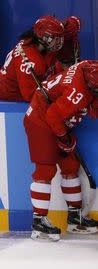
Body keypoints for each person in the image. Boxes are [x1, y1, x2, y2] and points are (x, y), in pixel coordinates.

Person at [23, 60, 98, 241]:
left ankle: (74, 217)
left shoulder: (87, 66)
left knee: (71, 166)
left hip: (58, 121)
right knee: (45, 169)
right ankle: (38, 222)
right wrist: (65, 139)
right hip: (40, 122)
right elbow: (53, 116)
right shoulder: (77, 93)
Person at [0, 15, 64, 102]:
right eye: (54, 39)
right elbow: (31, 97)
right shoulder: (30, 63)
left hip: (17, 87)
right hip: (11, 101)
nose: (59, 42)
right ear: (42, 37)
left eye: (61, 38)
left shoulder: (32, 40)